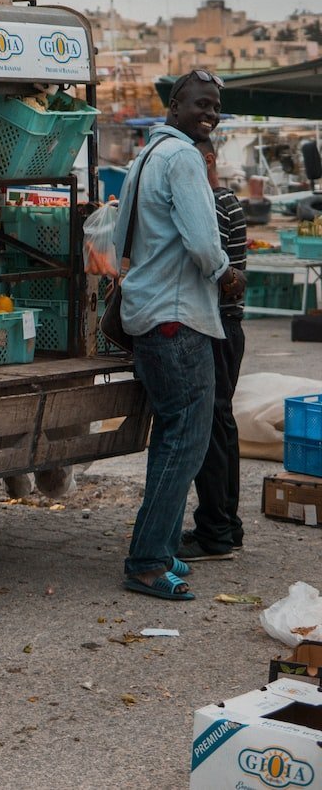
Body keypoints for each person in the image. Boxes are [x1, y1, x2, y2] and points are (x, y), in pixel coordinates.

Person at [114, 69, 245, 601]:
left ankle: (164, 549)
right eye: (200, 103)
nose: (209, 113)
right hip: (177, 317)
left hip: (147, 312)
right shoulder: (184, 157)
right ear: (175, 105)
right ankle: (146, 561)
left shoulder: (146, 156)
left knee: (171, 439)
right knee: (185, 445)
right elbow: (202, 239)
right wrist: (225, 274)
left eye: (215, 105)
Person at [179, 138, 247, 561]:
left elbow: (211, 264)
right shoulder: (226, 200)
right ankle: (226, 526)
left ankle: (216, 532)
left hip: (219, 324)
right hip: (228, 324)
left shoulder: (216, 204)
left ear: (206, 160)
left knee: (213, 427)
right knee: (223, 423)